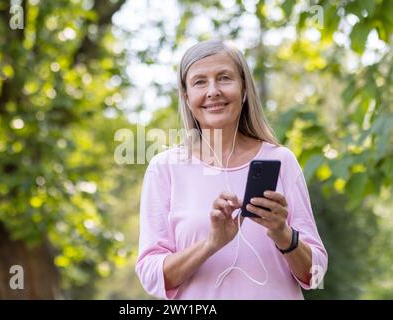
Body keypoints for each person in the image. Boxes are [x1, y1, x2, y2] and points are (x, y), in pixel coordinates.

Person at [135, 39, 327, 299]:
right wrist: (211, 243)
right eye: (200, 82)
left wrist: (283, 234)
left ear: (244, 88)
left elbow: (316, 276)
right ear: (187, 96)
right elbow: (151, 275)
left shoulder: (282, 161)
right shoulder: (164, 169)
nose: (213, 91)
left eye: (224, 78)